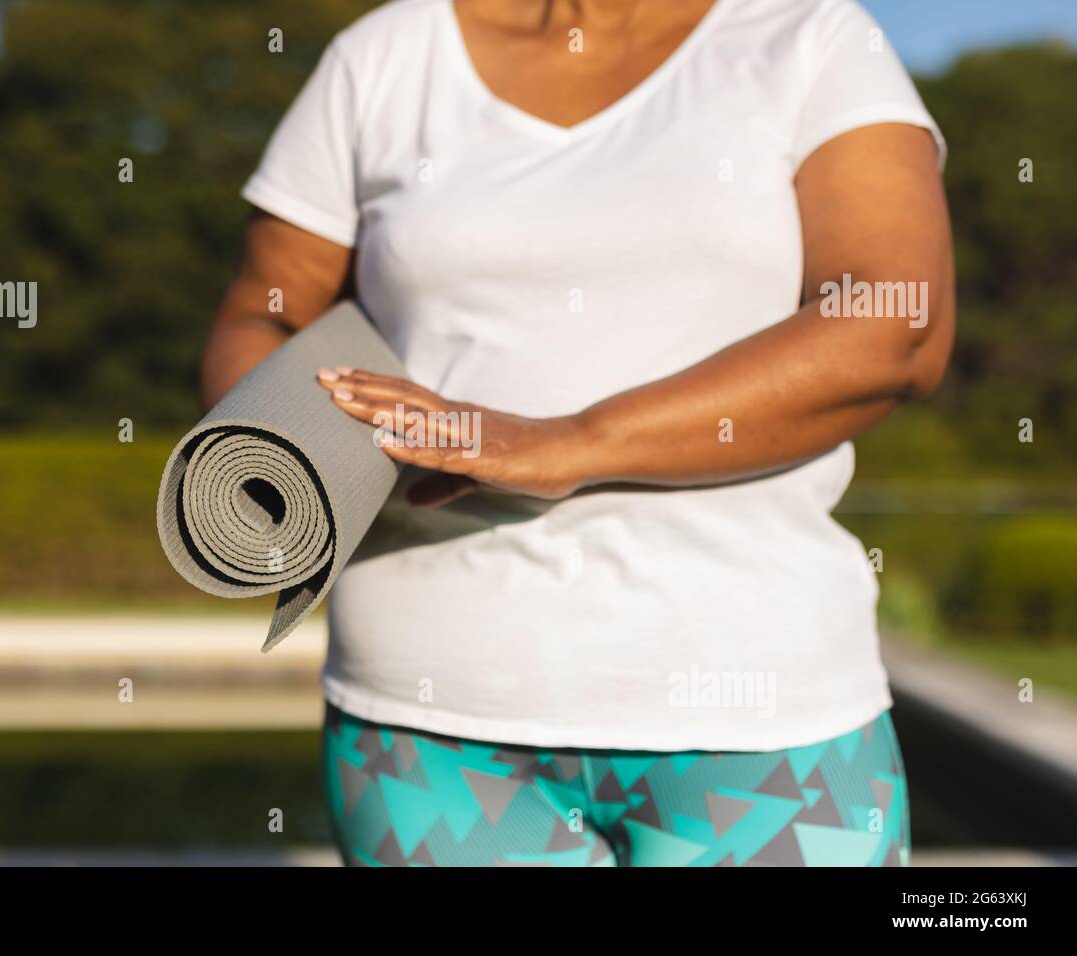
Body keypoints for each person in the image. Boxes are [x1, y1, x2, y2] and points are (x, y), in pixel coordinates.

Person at [202, 0, 953, 866]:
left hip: (760, 718)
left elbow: (897, 324)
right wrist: (288, 453)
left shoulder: (810, 37)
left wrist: (569, 443)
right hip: (425, 727)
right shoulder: (383, 56)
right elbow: (262, 314)